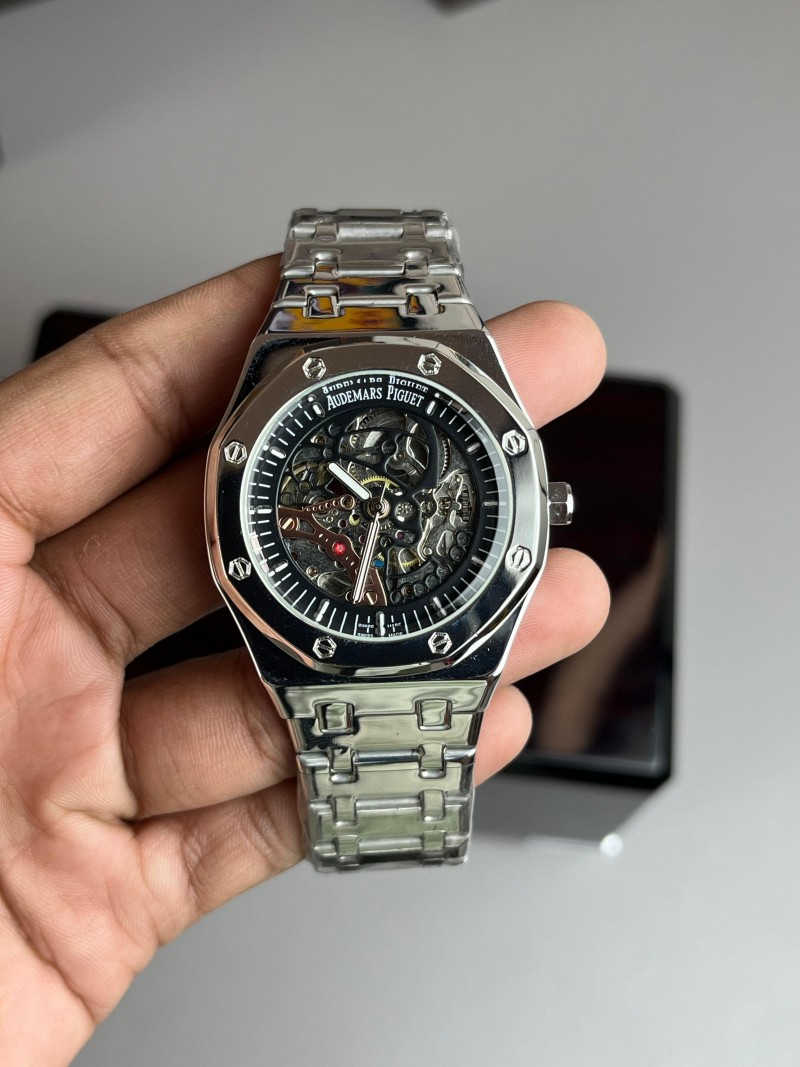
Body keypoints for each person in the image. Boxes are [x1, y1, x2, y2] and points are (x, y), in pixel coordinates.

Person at [0, 256, 609, 1064]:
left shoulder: (431, 495)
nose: (383, 499)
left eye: (391, 494)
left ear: (541, 509)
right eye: (371, 492)